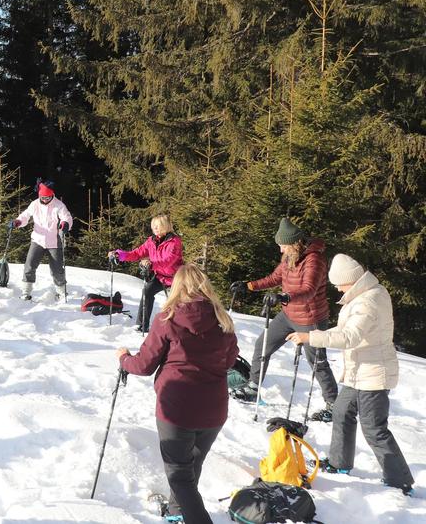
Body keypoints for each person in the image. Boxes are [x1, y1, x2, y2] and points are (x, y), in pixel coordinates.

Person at [118, 264, 239, 524]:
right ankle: (176, 511)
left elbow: (144, 365)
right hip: (214, 410)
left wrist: (124, 359)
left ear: (177, 287)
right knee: (191, 466)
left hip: (176, 408)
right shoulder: (223, 320)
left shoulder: (167, 319)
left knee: (179, 474)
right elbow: (229, 361)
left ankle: (193, 517)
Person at [287, 254, 414, 496]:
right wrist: (316, 333)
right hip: (359, 371)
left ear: (350, 280)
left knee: (374, 428)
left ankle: (400, 481)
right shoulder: (363, 295)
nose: (336, 287)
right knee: (341, 411)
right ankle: (339, 462)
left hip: (373, 373)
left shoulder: (368, 302)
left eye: (338, 283)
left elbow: (349, 337)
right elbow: (345, 330)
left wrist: (310, 337)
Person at [231, 218, 338, 419]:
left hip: (310, 318)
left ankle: (334, 405)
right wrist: (248, 286)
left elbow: (309, 290)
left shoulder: (314, 259)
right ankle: (254, 387)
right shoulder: (289, 257)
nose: (281, 250)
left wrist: (285, 297)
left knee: (317, 362)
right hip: (288, 314)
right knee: (263, 344)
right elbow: (274, 278)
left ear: (294, 243)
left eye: (283, 246)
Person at [110, 213, 184, 333]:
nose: (154, 228)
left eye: (157, 226)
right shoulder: (151, 241)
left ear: (165, 226)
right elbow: (137, 253)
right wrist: (120, 255)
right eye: (153, 225)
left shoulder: (174, 241)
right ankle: (141, 325)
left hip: (176, 277)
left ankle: (180, 328)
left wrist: (151, 264)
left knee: (177, 302)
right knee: (147, 291)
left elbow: (168, 261)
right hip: (160, 276)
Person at [11, 180, 73, 301]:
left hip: (54, 241)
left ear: (52, 195)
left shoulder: (59, 205)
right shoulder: (34, 204)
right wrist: (18, 221)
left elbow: (67, 217)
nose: (45, 199)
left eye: (48, 197)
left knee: (57, 270)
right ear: (39, 195)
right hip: (37, 240)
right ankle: (26, 292)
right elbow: (25, 216)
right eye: (43, 197)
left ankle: (61, 292)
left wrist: (66, 224)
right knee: (29, 266)